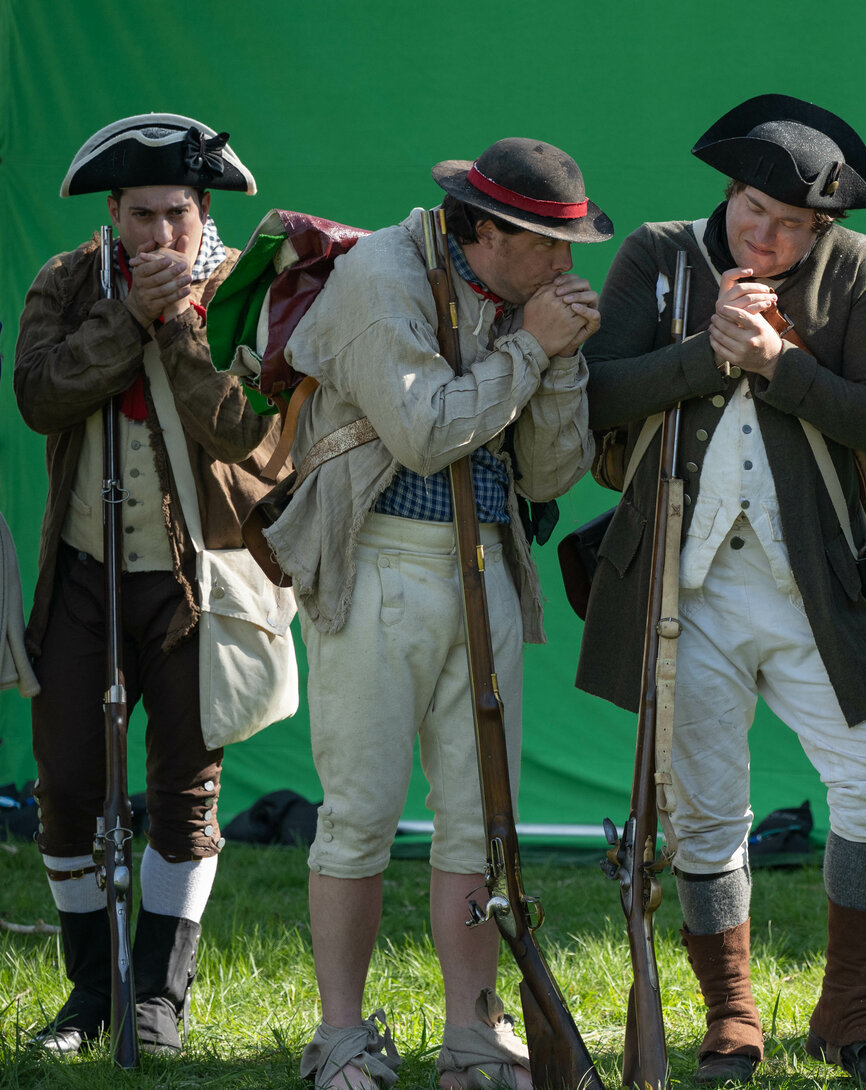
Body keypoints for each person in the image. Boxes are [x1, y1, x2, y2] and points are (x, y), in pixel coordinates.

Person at [575, 94, 866, 1088]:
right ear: (727, 190)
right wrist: (704, 353)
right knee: (705, 810)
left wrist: (778, 366)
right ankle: (732, 1014)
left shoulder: (858, 271)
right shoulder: (657, 254)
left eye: (791, 225)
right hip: (685, 592)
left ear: (826, 228)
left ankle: (848, 1005)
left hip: (812, 586)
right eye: (752, 211)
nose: (763, 236)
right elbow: (594, 389)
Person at [262, 137, 608, 1090]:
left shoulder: (520, 299)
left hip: (488, 559)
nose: (565, 267)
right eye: (548, 244)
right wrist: (536, 346)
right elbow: (422, 436)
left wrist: (561, 358)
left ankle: (472, 1033)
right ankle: (339, 1037)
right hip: (374, 560)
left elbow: (546, 473)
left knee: (478, 822)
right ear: (488, 232)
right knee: (360, 814)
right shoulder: (383, 272)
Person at [13, 113, 268, 1054]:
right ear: (113, 215)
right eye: (142, 217)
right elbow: (39, 397)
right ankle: (88, 996)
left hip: (199, 575)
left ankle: (158, 995)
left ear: (204, 213)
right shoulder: (67, 282)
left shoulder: (245, 288)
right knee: (68, 784)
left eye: (178, 215)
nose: (161, 236)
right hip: (81, 575)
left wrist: (176, 331)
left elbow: (245, 431)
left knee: (185, 785)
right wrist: (128, 317)